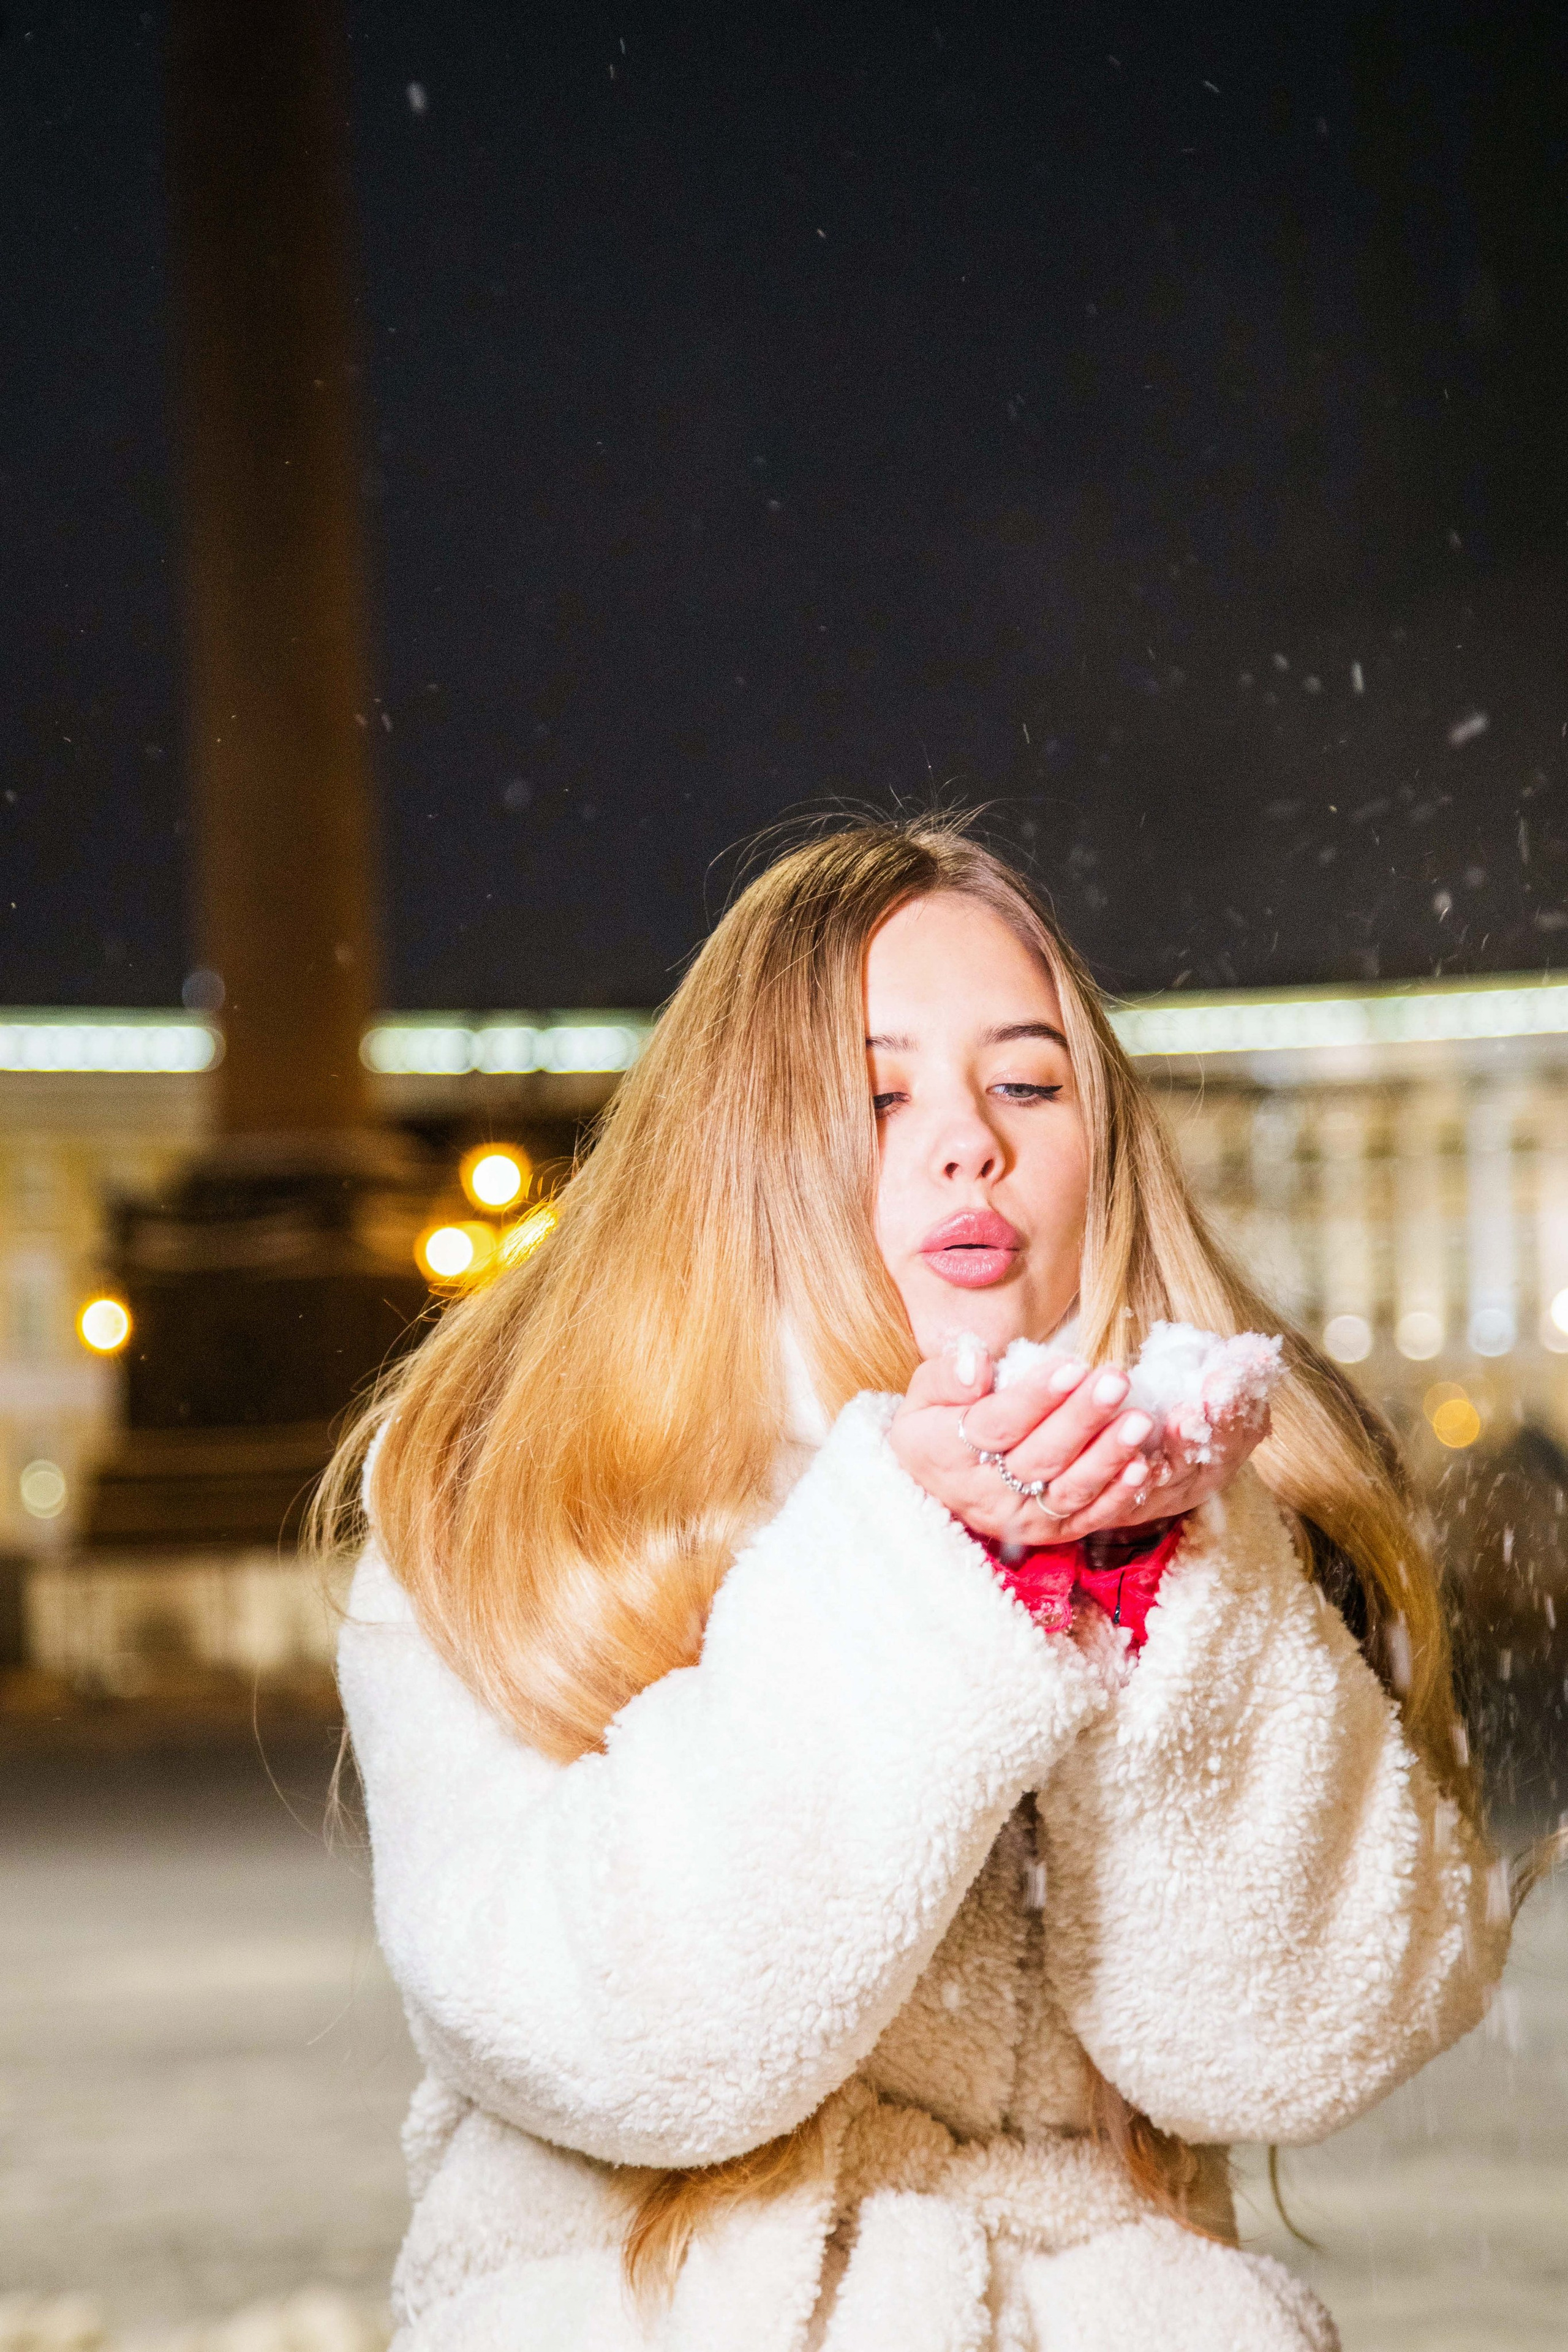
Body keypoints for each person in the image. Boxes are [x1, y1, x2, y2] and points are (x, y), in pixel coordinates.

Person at [326, 821, 1509, 2351]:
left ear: (1106, 1148)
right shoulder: (504, 1502)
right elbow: (611, 2040)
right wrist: (920, 1564)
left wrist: (1161, 1583)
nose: (969, 1145)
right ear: (736, 1147)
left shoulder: (1238, 1521)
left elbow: (1288, 2044)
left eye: (1027, 1085)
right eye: (877, 1095)